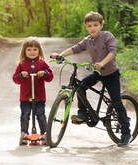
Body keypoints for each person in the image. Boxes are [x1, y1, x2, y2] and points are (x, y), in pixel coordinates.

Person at [50, 11, 131, 147]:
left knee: (116, 102)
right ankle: (82, 113)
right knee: (81, 86)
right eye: (89, 26)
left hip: (110, 73)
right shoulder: (87, 40)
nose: (92, 28)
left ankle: (126, 133)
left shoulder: (107, 36)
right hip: (97, 72)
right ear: (86, 27)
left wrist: (102, 63)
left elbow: (112, 52)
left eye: (95, 25)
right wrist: (60, 55)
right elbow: (75, 49)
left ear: (101, 24)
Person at [13, 37, 54, 145]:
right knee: (25, 115)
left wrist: (44, 73)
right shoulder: (21, 64)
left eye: (35, 50)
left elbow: (50, 77)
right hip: (25, 96)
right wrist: (21, 75)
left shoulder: (42, 63)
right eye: (29, 50)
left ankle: (44, 133)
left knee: (41, 115)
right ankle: (24, 134)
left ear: (39, 51)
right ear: (24, 51)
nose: (32, 52)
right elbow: (15, 79)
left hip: (39, 96)